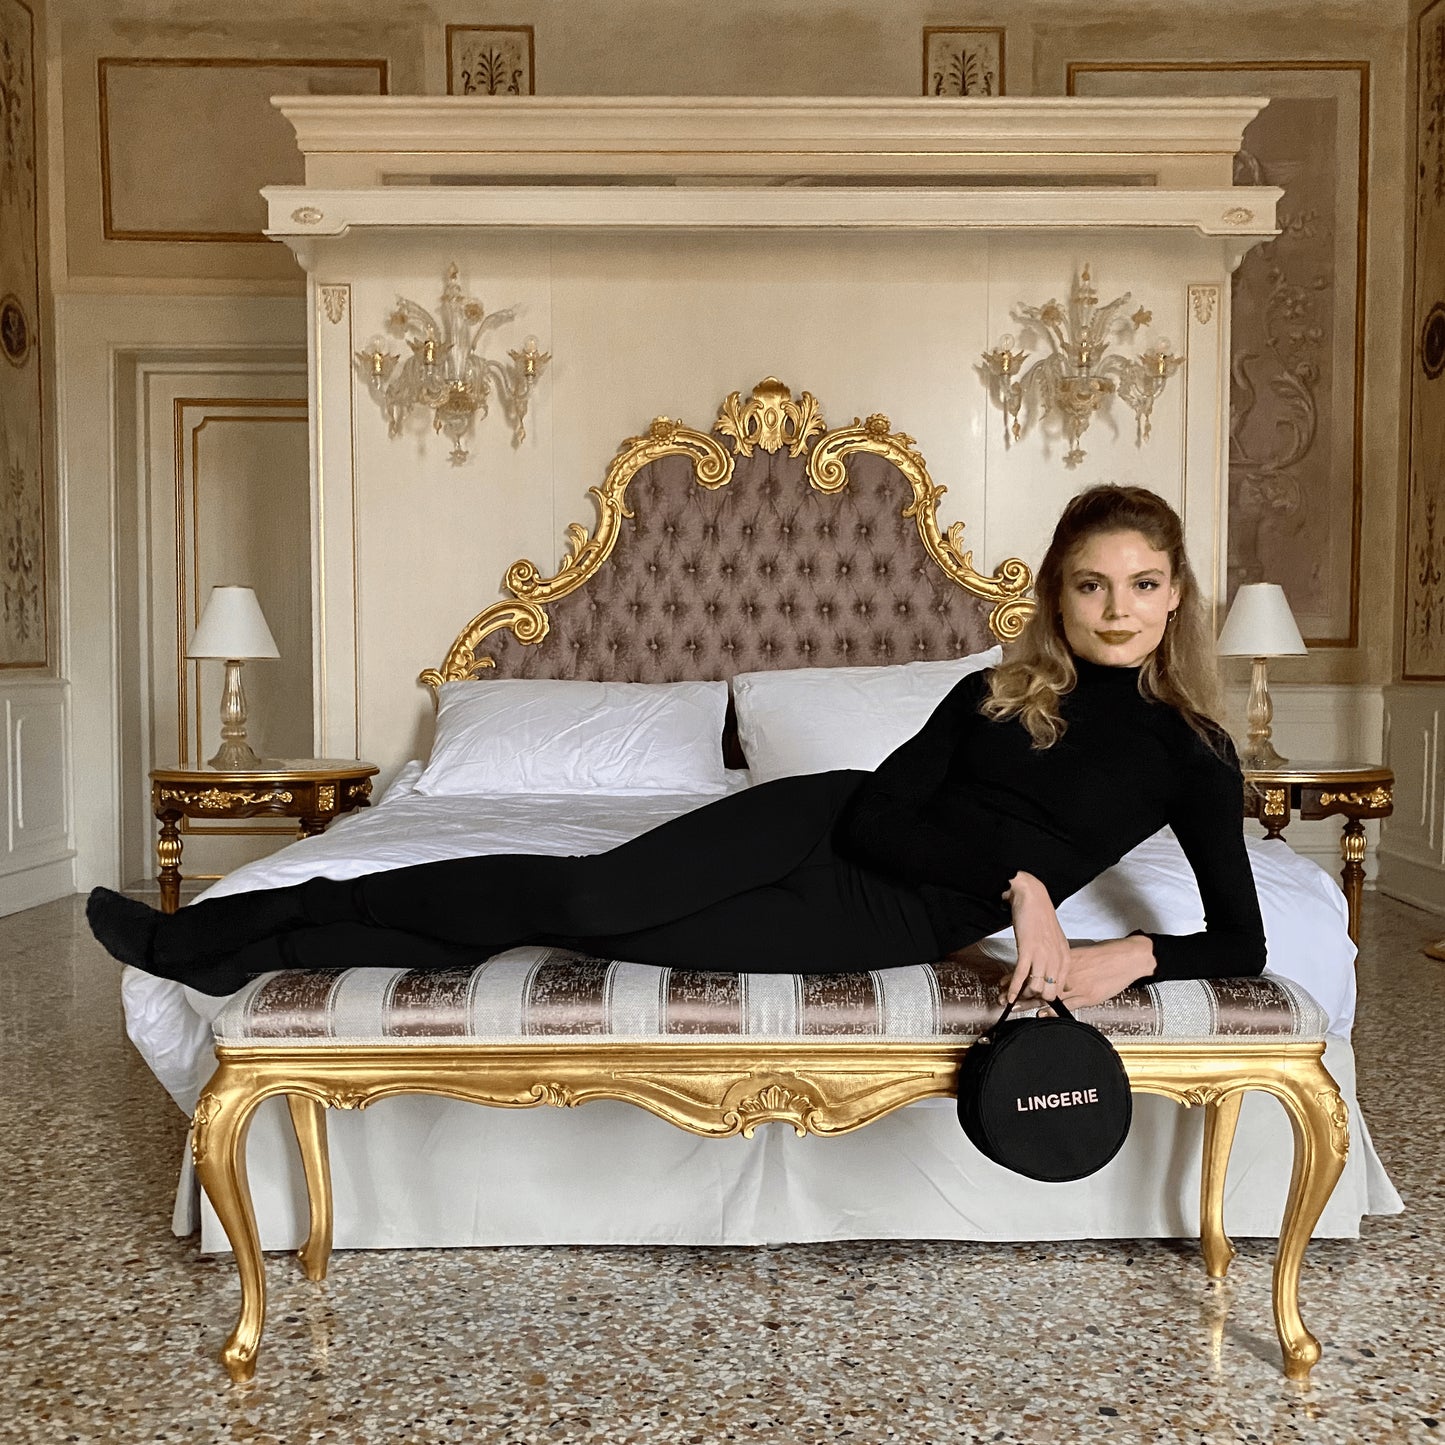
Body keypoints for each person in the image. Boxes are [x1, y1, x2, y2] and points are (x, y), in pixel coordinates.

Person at [88, 484, 1266, 1008]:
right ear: (1056, 595)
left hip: (877, 921)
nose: (1115, 606)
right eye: (1089, 582)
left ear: (1175, 597)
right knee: (576, 886)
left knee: (577, 927)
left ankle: (260, 943)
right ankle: (224, 932)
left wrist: (1130, 959)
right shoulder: (990, 690)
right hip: (811, 816)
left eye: (1141, 583)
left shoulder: (1192, 754)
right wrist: (1019, 886)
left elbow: (1240, 939)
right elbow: (874, 813)